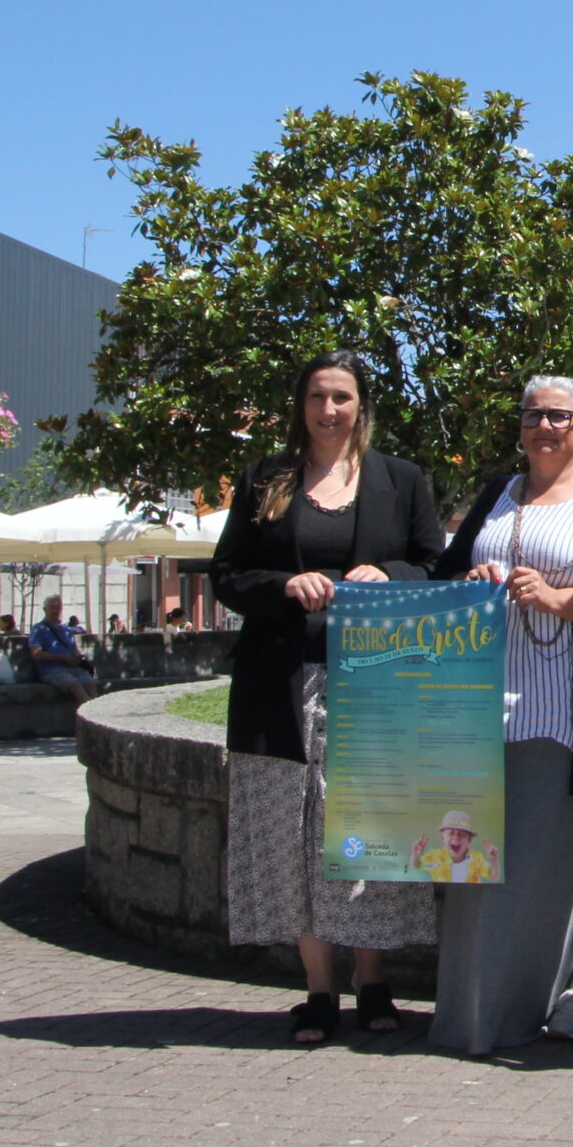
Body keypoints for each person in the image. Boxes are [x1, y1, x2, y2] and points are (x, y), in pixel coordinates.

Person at [211, 348, 443, 1044]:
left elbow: (437, 565)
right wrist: (282, 585)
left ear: (361, 405)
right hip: (280, 684)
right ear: (301, 405)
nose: (329, 410)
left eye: (342, 396)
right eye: (318, 396)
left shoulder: (402, 481)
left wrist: (390, 572)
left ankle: (374, 985)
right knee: (294, 838)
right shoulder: (265, 479)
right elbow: (225, 573)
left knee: (368, 828)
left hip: (374, 683)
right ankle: (319, 991)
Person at [429, 374, 573, 1054]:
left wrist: (558, 600)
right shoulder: (496, 497)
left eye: (561, 416)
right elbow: (442, 578)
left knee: (566, 864)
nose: (546, 427)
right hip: (485, 714)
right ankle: (478, 1009)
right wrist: (468, 583)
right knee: (483, 874)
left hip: (568, 713)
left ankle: (572, 992)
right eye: (534, 415)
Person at [27, 598, 97, 704]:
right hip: (51, 670)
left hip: (72, 668)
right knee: (75, 685)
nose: (55, 610)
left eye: (57, 607)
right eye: (52, 607)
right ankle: (90, 715)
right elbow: (36, 654)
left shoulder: (66, 629)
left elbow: (74, 649)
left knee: (90, 684)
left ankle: (96, 712)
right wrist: (62, 658)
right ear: (45, 609)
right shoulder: (38, 629)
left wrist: (78, 657)